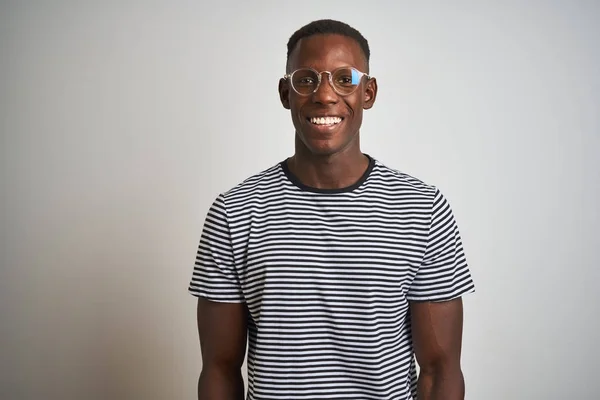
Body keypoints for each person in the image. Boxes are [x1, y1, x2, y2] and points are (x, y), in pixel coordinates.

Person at [189, 18, 475, 400]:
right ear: (285, 93)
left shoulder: (421, 209)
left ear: (368, 92)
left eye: (345, 78)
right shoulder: (234, 212)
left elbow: (440, 371)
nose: (325, 95)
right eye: (306, 79)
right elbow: (219, 370)